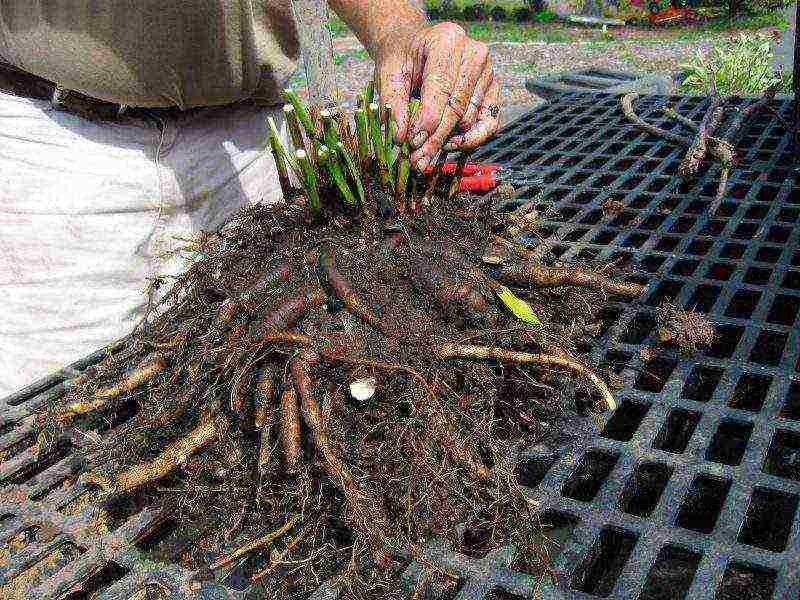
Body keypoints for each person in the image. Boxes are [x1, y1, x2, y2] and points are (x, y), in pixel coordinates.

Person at [0, 1, 499, 396]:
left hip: (246, 146)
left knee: (251, 404)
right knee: (52, 431)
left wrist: (396, 27)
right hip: (53, 150)